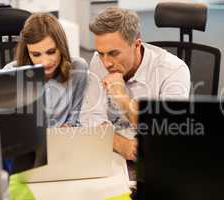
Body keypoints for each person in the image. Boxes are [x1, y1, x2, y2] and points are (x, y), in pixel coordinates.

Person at [80, 7, 191, 160]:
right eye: (101, 53)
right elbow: (90, 117)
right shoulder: (98, 62)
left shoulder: (173, 70)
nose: (106, 63)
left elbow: (166, 132)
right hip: (111, 151)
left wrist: (122, 98)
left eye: (113, 53)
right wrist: (120, 144)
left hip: (157, 156)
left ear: (137, 45)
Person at [4, 12, 88, 127]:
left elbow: (76, 116)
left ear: (61, 46)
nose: (45, 62)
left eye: (51, 52)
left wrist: (67, 127)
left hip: (63, 139)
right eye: (36, 54)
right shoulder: (11, 73)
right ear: (28, 53)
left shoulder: (78, 69)